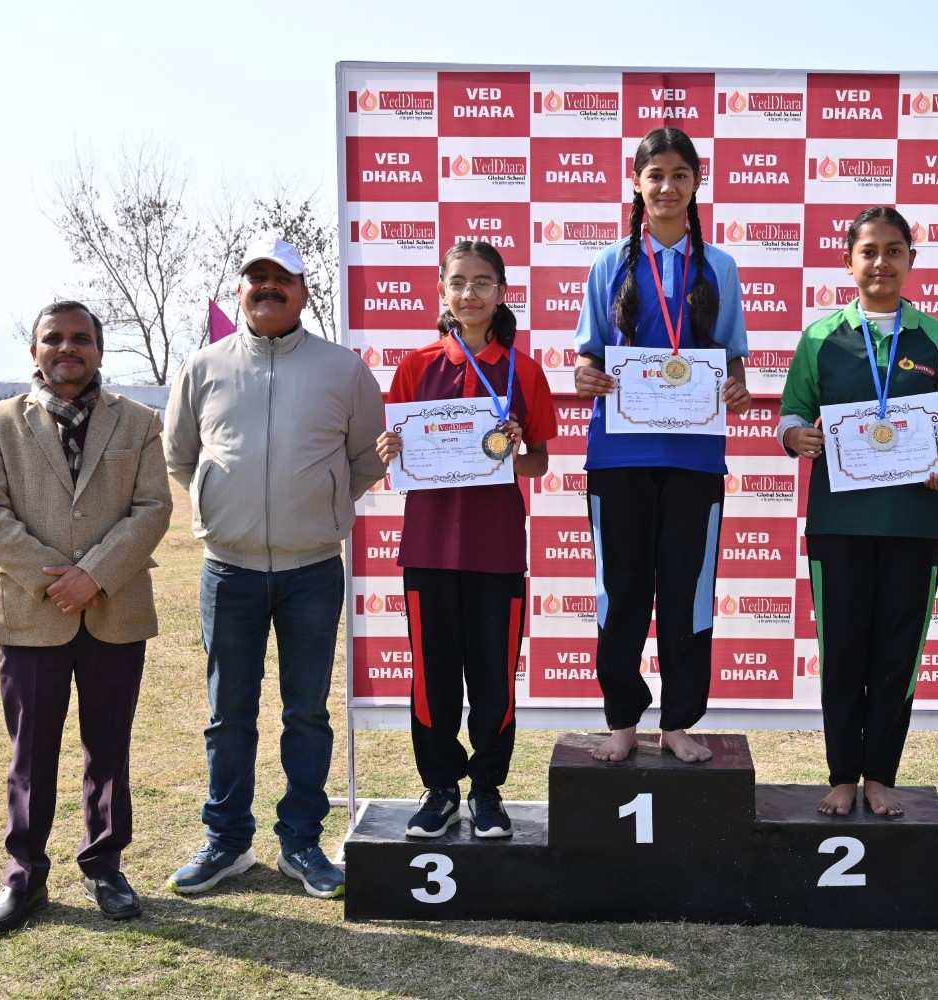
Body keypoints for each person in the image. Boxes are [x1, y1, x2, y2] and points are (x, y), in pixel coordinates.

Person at [163, 233, 387, 899]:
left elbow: (366, 459)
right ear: (239, 289)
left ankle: (301, 842)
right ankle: (227, 842)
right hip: (227, 571)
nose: (267, 287)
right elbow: (180, 455)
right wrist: (221, 504)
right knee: (227, 714)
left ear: (303, 292)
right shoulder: (203, 366)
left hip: (312, 570)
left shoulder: (343, 369)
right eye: (256, 276)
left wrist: (319, 504)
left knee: (306, 714)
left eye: (281, 278)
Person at [0, 301, 172, 935]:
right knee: (31, 752)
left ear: (99, 350)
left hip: (116, 610)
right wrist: (59, 580)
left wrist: (95, 575)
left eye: (80, 338)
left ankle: (105, 865)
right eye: (53, 338)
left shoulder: (139, 422)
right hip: (31, 612)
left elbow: (153, 508)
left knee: (108, 748)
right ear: (34, 351)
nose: (67, 348)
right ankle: (24, 875)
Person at [775, 207, 938, 818]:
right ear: (848, 261)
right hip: (838, 524)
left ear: (911, 259)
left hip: (914, 524)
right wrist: (795, 437)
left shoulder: (937, 337)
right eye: (869, 251)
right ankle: (842, 775)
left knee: (897, 657)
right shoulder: (819, 337)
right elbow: (792, 412)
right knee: (842, 654)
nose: (881, 262)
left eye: (893, 250)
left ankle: (881, 776)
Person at [573, 127, 752, 764]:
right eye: (656, 175)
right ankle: (622, 719)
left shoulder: (719, 267)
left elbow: (732, 359)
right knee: (620, 592)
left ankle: (679, 721)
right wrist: (585, 376)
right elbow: (589, 357)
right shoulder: (608, 264)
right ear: (636, 182)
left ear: (697, 183)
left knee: (688, 594)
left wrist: (737, 388)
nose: (668, 187)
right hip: (618, 457)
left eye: (680, 175)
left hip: (694, 459)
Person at [376, 241, 556, 839]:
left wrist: (512, 450)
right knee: (432, 678)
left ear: (501, 292)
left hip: (496, 551)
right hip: (427, 549)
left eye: (482, 282)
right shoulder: (416, 365)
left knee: (493, 679)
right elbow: (399, 456)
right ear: (442, 291)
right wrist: (391, 449)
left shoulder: (524, 369)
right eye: (458, 282)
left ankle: (486, 789)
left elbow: (538, 462)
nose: (469, 293)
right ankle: (440, 788)